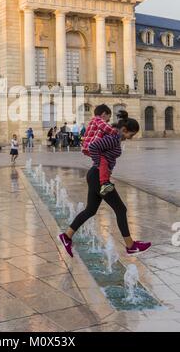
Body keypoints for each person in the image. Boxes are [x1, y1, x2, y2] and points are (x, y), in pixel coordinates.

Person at [59, 115, 152, 257]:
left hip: (94, 175)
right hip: (98, 177)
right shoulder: (113, 138)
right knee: (121, 209)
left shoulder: (115, 137)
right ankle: (130, 246)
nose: (131, 138)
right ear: (125, 129)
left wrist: (100, 165)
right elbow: (93, 147)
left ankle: (67, 236)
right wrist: (100, 164)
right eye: (131, 134)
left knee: (90, 210)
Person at [82, 105, 118, 197]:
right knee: (103, 162)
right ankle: (104, 183)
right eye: (108, 118)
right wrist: (116, 132)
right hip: (92, 147)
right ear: (104, 114)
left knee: (100, 161)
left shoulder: (93, 121)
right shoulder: (98, 120)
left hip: (89, 146)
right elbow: (106, 128)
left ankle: (104, 177)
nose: (108, 121)